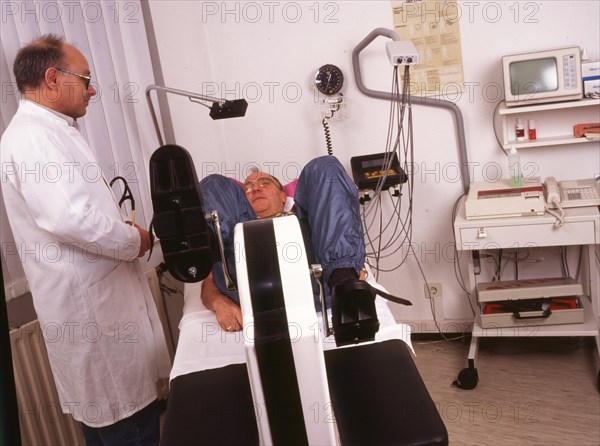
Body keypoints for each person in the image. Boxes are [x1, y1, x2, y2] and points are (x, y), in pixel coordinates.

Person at [0, 34, 170, 446]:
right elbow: (70, 217)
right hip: (96, 323)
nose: (93, 89)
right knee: (126, 427)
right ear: (53, 79)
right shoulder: (33, 138)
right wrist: (137, 240)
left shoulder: (51, 131)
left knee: (119, 423)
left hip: (99, 315)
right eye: (86, 79)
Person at [198, 156, 384, 345]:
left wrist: (350, 271)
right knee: (215, 183)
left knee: (323, 166)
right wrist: (218, 302)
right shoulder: (233, 230)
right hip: (251, 290)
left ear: (283, 196)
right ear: (240, 202)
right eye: (247, 188)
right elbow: (209, 282)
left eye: (265, 183)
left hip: (316, 286)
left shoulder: (310, 222)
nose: (255, 188)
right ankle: (203, 237)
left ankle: (343, 281)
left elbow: (336, 224)